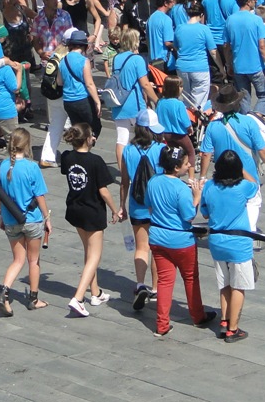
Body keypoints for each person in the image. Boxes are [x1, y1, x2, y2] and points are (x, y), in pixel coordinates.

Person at [144, 144, 217, 337]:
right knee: (191, 278)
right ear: (176, 168)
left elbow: (149, 207)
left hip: (158, 237)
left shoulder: (153, 182)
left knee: (165, 281)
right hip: (181, 240)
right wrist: (197, 195)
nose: (189, 165)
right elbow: (189, 216)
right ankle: (197, 315)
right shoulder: (181, 188)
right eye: (186, 163)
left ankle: (161, 324)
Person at [199, 150, 259, 342]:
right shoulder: (242, 187)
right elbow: (255, 186)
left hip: (216, 241)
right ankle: (233, 329)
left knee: (224, 283)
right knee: (238, 286)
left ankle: (224, 321)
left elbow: (206, 214)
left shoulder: (209, 186)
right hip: (238, 242)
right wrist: (242, 170)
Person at [62, 123, 120, 317]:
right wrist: (115, 210)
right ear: (89, 139)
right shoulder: (96, 161)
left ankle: (95, 293)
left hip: (75, 209)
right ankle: (78, 298)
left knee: (88, 252)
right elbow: (103, 190)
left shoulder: (67, 157)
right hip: (92, 211)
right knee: (95, 256)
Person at [0, 127, 52, 316]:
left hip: (11, 220)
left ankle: (5, 291)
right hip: (32, 219)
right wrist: (47, 218)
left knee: (17, 260)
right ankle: (33, 299)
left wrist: (1, 215)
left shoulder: (0, 166)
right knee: (33, 260)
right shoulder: (31, 167)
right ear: (26, 145)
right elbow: (39, 196)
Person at [119, 109, 167, 309]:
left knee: (141, 247)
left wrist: (121, 206)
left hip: (136, 206)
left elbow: (124, 182)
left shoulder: (128, 151)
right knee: (156, 248)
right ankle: (156, 288)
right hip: (157, 206)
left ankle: (140, 284)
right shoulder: (161, 149)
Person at [110, 28, 159, 177]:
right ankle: (144, 169)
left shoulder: (116, 58)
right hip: (134, 104)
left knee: (121, 139)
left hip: (118, 102)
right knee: (144, 137)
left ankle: (124, 173)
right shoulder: (137, 60)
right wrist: (156, 100)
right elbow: (144, 84)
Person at [225, 0, 265, 117]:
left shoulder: (230, 20)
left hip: (238, 67)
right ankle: (257, 116)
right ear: (248, 2)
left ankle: (246, 119)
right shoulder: (256, 20)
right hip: (255, 66)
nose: (256, 1)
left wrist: (229, 64)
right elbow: (262, 46)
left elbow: (227, 46)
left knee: (244, 98)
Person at [58, 30, 103, 138]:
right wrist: (97, 102)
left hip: (68, 101)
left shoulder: (63, 60)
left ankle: (78, 150)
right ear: (85, 46)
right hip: (83, 100)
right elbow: (89, 84)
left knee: (77, 131)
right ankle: (86, 150)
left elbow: (59, 82)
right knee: (94, 128)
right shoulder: (84, 61)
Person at [173, 2, 218, 109]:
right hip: (199, 67)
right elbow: (213, 51)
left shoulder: (179, 28)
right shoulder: (204, 29)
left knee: (187, 98)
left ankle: (188, 120)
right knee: (199, 101)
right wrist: (221, 67)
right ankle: (197, 122)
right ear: (202, 15)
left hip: (182, 67)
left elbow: (176, 46)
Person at [155, 75, 196, 171]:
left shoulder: (160, 102)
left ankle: (173, 171)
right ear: (175, 88)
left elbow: (157, 116)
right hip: (179, 134)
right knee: (190, 152)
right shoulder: (179, 104)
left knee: (173, 154)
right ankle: (191, 176)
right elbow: (185, 120)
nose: (182, 88)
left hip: (166, 133)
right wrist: (189, 127)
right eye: (181, 86)